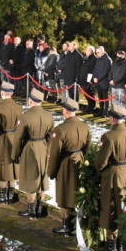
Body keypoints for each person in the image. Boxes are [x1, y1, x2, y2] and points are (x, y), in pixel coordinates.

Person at [94, 103, 126, 251]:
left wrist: (100, 169)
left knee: (110, 208)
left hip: (112, 176)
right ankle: (120, 244)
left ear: (112, 118)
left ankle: (111, 247)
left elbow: (100, 162)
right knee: (122, 207)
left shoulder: (109, 137)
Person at [47, 97, 90, 235]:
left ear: (65, 111)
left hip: (65, 163)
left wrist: (51, 172)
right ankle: (77, 221)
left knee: (65, 193)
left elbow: (54, 154)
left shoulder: (60, 130)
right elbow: (88, 147)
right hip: (80, 160)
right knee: (78, 190)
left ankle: (66, 223)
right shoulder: (85, 126)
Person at [10, 88, 54, 218]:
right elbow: (51, 136)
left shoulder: (25, 116)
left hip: (30, 148)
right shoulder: (49, 116)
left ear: (30, 101)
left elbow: (18, 138)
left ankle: (31, 209)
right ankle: (39, 207)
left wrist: (15, 155)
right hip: (43, 147)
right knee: (41, 178)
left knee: (30, 179)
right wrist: (48, 150)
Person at [0, 81, 23, 204]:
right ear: (12, 93)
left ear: (2, 92)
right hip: (15, 139)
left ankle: (3, 195)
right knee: (13, 168)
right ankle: (11, 195)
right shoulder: (19, 108)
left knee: (2, 168)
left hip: (3, 139)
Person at [92, 46, 112, 116]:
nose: (96, 54)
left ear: (102, 51)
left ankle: (105, 112)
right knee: (100, 97)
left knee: (105, 97)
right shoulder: (98, 59)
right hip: (98, 82)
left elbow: (106, 71)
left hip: (104, 82)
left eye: (98, 52)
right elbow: (95, 69)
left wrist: (98, 78)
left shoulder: (108, 59)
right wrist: (94, 77)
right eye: (96, 52)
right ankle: (101, 110)